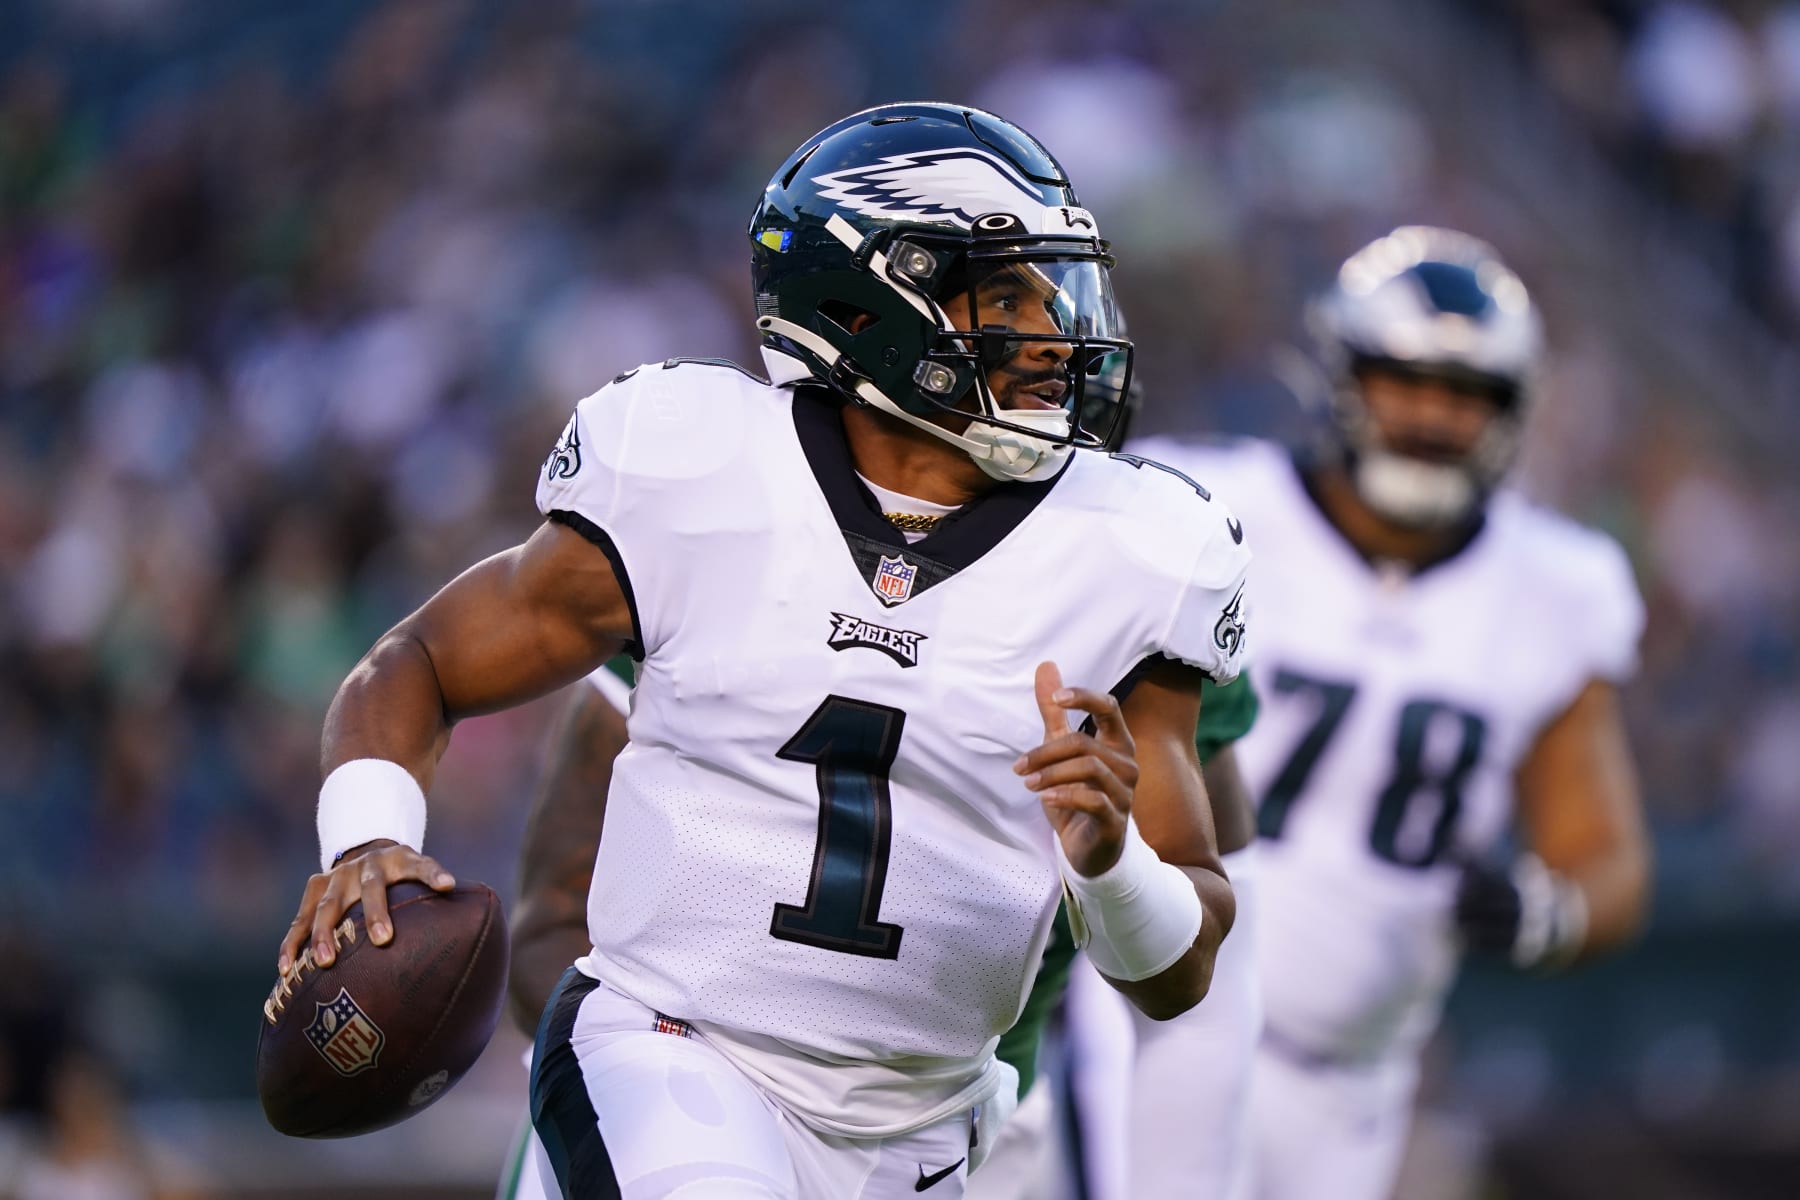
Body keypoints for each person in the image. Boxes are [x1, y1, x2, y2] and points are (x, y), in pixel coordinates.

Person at [275, 101, 1252, 1200]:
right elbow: (421, 663)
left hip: (922, 1130)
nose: (1052, 334)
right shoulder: (699, 470)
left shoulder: (1135, 552)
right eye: (1004, 294)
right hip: (673, 1049)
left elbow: (1182, 970)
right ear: (870, 299)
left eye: (1053, 290)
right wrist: (366, 840)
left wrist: (1114, 864)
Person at [1132, 225, 1651, 1200]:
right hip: (1144, 1026)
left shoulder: (1555, 587)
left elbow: (1604, 858)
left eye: (1466, 394)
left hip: (1354, 1083)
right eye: (1403, 380)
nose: (1431, 416)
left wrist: (1549, 914)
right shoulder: (1209, 508)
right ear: (1339, 374)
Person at [492, 663, 1260, 1200]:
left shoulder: (1140, 597)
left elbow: (1202, 948)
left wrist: (1114, 866)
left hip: (953, 1133)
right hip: (685, 1082)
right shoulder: (729, 517)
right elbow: (554, 922)